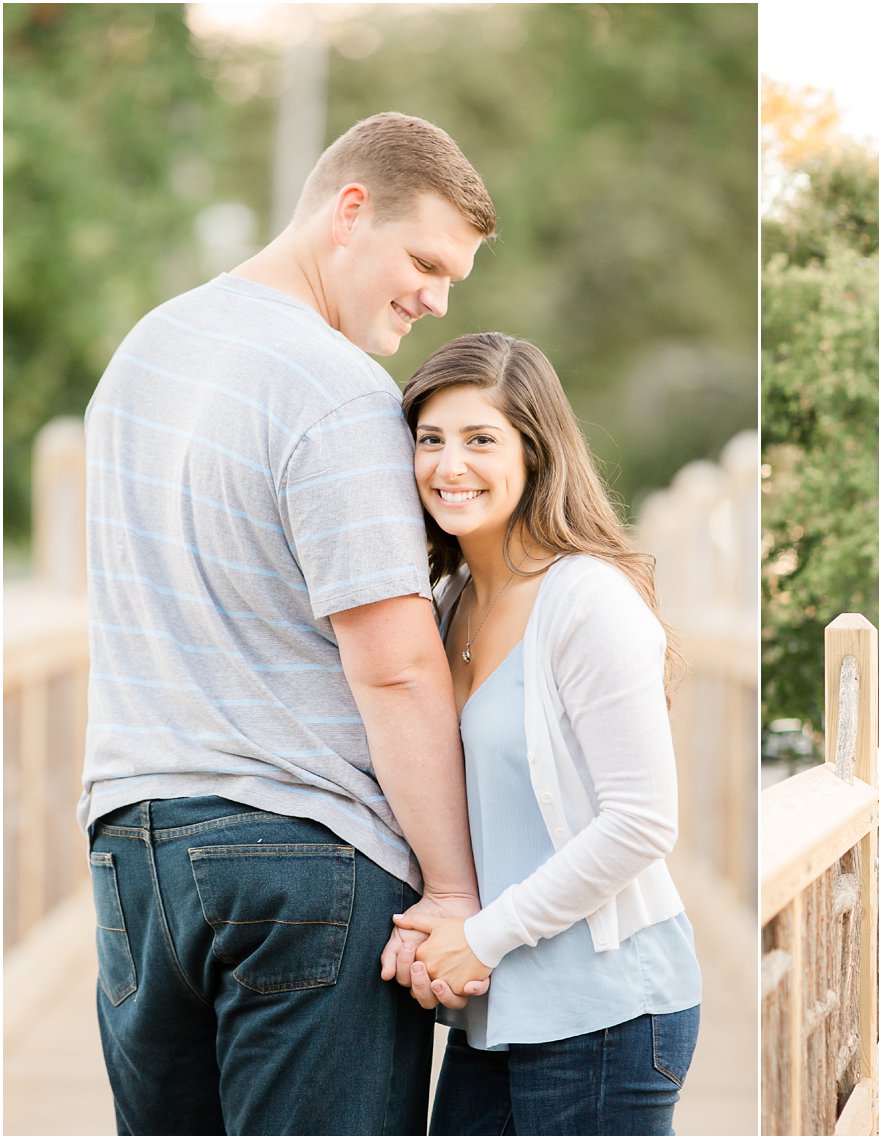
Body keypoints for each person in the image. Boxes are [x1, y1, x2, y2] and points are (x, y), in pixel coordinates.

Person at [81, 112, 495, 1135]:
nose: (435, 299)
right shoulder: (336, 386)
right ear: (349, 211)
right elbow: (394, 665)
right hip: (301, 856)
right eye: (425, 261)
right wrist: (451, 890)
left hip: (134, 850)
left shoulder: (144, 353)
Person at [388, 333, 701, 1136]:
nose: (448, 465)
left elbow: (642, 820)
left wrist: (482, 938)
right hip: (495, 1007)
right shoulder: (449, 600)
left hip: (603, 1011)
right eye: (431, 439)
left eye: (480, 439)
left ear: (536, 452)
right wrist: (436, 925)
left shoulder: (586, 600)